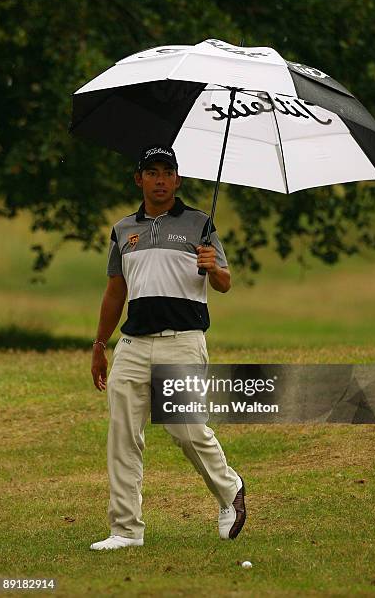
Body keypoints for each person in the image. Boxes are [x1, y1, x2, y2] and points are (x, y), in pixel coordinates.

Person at [89, 144, 246, 550]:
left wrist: (214, 267)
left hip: (183, 343)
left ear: (178, 179)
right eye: (152, 172)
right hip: (133, 345)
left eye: (168, 172)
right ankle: (125, 529)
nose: (160, 179)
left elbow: (225, 283)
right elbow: (114, 291)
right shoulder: (124, 230)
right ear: (139, 179)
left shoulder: (200, 224)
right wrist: (99, 344)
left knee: (186, 430)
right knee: (123, 436)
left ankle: (231, 490)